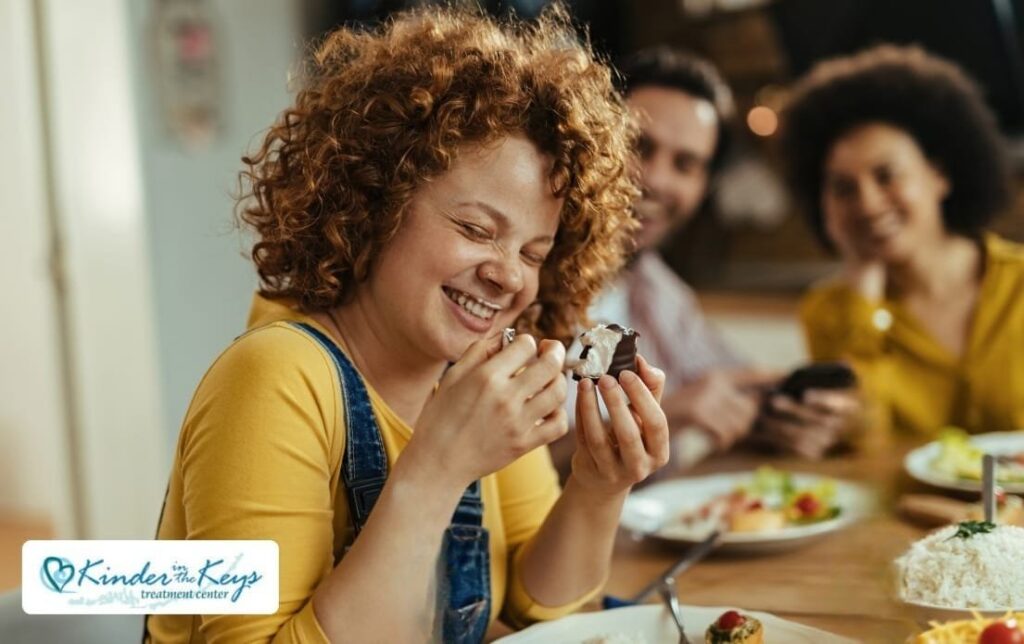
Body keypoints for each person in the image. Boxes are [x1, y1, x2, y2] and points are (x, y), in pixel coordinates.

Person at [145, 7, 669, 643]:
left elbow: (539, 615)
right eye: (476, 229)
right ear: (374, 203)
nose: (509, 276)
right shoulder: (273, 379)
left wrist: (597, 485)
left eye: (534, 253)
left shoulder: (473, 371)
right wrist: (437, 470)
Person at [555, 47, 859, 472]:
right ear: (592, 138)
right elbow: (502, 476)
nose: (657, 179)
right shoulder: (524, 281)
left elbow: (736, 387)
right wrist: (668, 415)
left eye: (686, 164)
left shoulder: (655, 287)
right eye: (639, 147)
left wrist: (792, 419)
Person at [780, 44, 1024, 444]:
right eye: (843, 188)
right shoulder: (827, 313)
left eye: (886, 175)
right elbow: (862, 439)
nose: (868, 203)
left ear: (940, 176)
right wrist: (862, 294)